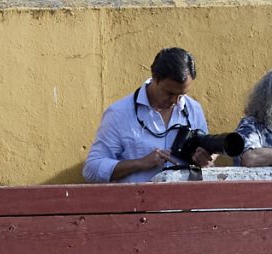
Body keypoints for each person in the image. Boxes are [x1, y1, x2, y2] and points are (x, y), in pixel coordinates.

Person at [83, 48, 216, 183]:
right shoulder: (119, 113)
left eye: (182, 94)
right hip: (137, 201)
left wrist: (205, 163)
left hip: (185, 201)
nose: (176, 101)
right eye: (169, 93)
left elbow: (207, 162)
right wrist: (140, 163)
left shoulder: (194, 110)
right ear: (155, 78)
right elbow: (91, 170)